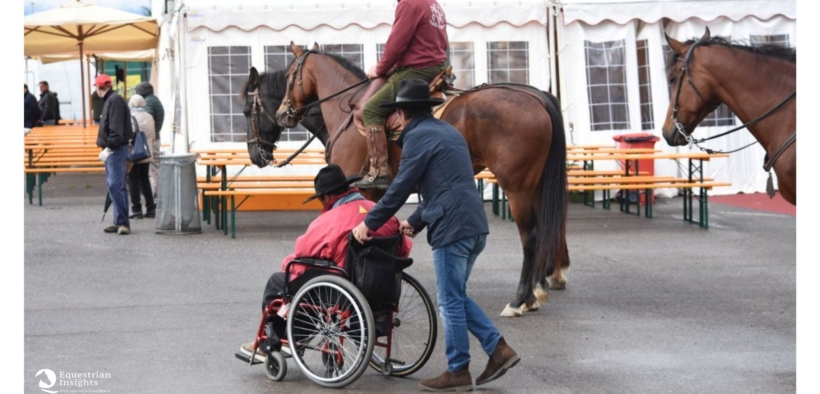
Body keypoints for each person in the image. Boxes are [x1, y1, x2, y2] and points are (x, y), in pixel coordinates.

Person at [352, 79, 520, 391]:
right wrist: (416, 220)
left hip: (453, 230)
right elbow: (447, 185)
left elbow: (401, 187)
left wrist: (369, 223)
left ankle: (458, 370)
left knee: (449, 300)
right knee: (455, 295)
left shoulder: (417, 138)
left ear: (400, 113)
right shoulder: (447, 131)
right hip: (474, 225)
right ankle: (498, 350)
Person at [239, 164, 412, 362]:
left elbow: (302, 256)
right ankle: (295, 338)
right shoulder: (380, 212)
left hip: (344, 290)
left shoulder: (330, 220)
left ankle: (274, 342)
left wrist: (288, 264)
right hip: (382, 288)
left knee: (280, 283)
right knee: (311, 285)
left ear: (327, 197)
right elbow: (403, 249)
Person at [356, 0, 449, 190]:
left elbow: (396, 43)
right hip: (437, 66)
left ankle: (379, 172)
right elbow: (443, 42)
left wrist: (380, 69)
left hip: (417, 69)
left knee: (371, 110)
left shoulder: (409, 3)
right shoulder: (433, 3)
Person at [95, 74, 134, 235]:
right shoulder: (113, 100)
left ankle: (123, 222)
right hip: (115, 149)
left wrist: (109, 147)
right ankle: (119, 221)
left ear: (98, 88)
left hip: (115, 149)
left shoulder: (113, 101)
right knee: (116, 185)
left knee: (114, 185)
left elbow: (115, 129)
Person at [127, 94, 157, 219]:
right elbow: (153, 136)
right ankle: (150, 208)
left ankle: (137, 209)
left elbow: (129, 136)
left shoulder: (131, 117)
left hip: (135, 154)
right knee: (145, 180)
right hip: (147, 153)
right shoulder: (149, 116)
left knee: (133, 181)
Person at [135, 82, 165, 199]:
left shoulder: (149, 102)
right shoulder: (154, 100)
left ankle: (154, 196)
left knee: (153, 170)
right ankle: (154, 195)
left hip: (151, 140)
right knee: (154, 168)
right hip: (155, 138)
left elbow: (146, 122)